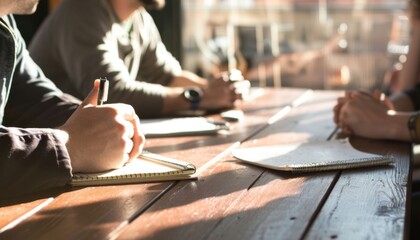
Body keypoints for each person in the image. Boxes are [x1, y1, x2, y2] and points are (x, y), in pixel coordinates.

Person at [0, 0, 144, 199]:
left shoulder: (5, 22)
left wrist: (103, 124)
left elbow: (33, 98)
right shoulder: (82, 10)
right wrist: (70, 146)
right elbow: (120, 88)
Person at [29, 0, 243, 118]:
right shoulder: (81, 10)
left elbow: (167, 76)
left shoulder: (139, 19)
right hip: (48, 149)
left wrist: (221, 89)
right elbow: (111, 93)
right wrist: (198, 98)